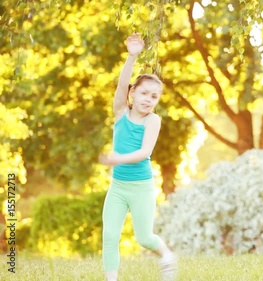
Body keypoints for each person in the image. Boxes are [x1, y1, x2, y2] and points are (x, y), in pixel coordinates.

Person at [99, 33, 177, 281]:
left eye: (154, 96)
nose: (148, 100)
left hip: (141, 186)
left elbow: (144, 153)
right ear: (133, 93)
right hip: (118, 187)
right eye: (144, 93)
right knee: (110, 235)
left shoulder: (154, 120)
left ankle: (166, 255)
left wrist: (116, 160)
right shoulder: (121, 112)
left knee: (144, 237)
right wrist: (132, 57)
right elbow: (122, 85)